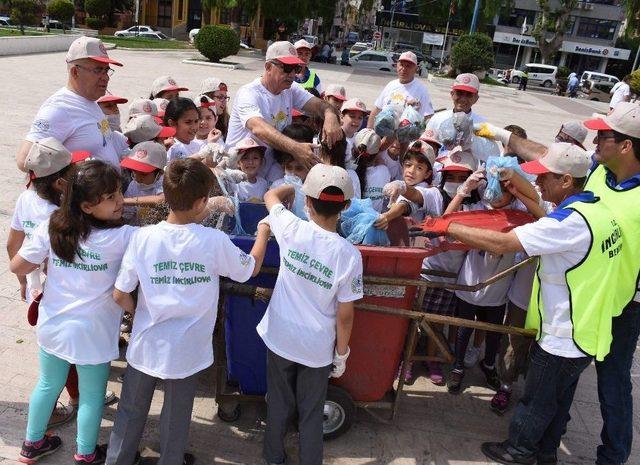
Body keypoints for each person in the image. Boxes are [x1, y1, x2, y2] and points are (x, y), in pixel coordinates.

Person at [429, 143, 624, 465]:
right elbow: (539, 207)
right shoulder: (598, 211)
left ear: (565, 181)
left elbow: (504, 242)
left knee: (537, 400)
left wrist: (449, 225)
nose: (539, 185)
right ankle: (546, 454)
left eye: (544, 177)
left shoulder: (569, 224)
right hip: (589, 329)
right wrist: (512, 182)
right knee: (559, 402)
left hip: (564, 334)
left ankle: (518, 451)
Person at [106, 158, 270, 465]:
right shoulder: (214, 241)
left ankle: (118, 460)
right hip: (187, 348)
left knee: (130, 410)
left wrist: (140, 313)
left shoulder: (143, 237)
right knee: (176, 414)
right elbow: (250, 269)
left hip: (146, 342)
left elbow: (119, 294)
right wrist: (263, 230)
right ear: (202, 202)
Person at [12, 160, 136, 465]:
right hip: (94, 332)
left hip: (53, 325)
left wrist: (41, 271)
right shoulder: (125, 237)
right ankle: (85, 453)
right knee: (92, 397)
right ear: (86, 205)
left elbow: (17, 265)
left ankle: (32, 444)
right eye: (110, 197)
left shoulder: (53, 225)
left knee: (47, 384)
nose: (120, 200)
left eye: (119, 192)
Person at [259, 163, 363, 465]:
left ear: (307, 203)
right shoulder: (349, 255)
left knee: (278, 404)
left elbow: (270, 196)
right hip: (316, 348)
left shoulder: (291, 227)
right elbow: (346, 315)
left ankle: (273, 458)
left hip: (280, 336)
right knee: (311, 412)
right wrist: (341, 354)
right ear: (345, 206)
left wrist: (291, 187)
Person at [582, 103, 640, 465]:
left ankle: (614, 456)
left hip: (624, 306)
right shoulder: (597, 173)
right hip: (586, 292)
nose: (596, 140)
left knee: (613, 381)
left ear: (626, 146)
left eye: (604, 136)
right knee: (566, 369)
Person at [226, 41, 343, 182]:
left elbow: (320, 105)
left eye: (296, 68)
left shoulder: (291, 89)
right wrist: (296, 148)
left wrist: (330, 115)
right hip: (239, 178)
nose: (292, 74)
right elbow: (258, 128)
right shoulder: (248, 93)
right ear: (268, 67)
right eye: (287, 68)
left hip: (268, 176)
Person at [16, 37, 125, 172]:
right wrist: (76, 179)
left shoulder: (90, 102)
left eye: (106, 70)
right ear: (75, 72)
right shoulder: (58, 109)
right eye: (98, 70)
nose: (105, 77)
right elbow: (25, 160)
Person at [369, 51, 434, 128]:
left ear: (416, 69)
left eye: (408, 66)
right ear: (397, 66)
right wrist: (368, 130)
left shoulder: (421, 90)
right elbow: (377, 109)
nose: (403, 69)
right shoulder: (391, 85)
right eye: (401, 65)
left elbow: (428, 117)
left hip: (406, 137)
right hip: (383, 133)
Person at [120, 141, 167, 225]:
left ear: (159, 173)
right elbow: (127, 214)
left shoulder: (164, 182)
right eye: (134, 172)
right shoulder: (133, 185)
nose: (138, 178)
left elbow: (162, 200)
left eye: (143, 174)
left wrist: (123, 201)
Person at [352, 128, 389, 212]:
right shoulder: (384, 171)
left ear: (353, 150)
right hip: (376, 223)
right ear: (376, 154)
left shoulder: (349, 173)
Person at [165, 98, 201, 162]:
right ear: (172, 123)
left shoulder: (198, 145)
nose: (194, 127)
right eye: (188, 122)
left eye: (196, 121)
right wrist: (202, 154)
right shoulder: (170, 148)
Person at [234, 137, 269, 202]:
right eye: (245, 158)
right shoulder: (234, 184)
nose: (251, 162)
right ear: (238, 162)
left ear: (261, 161)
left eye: (255, 158)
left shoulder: (264, 183)